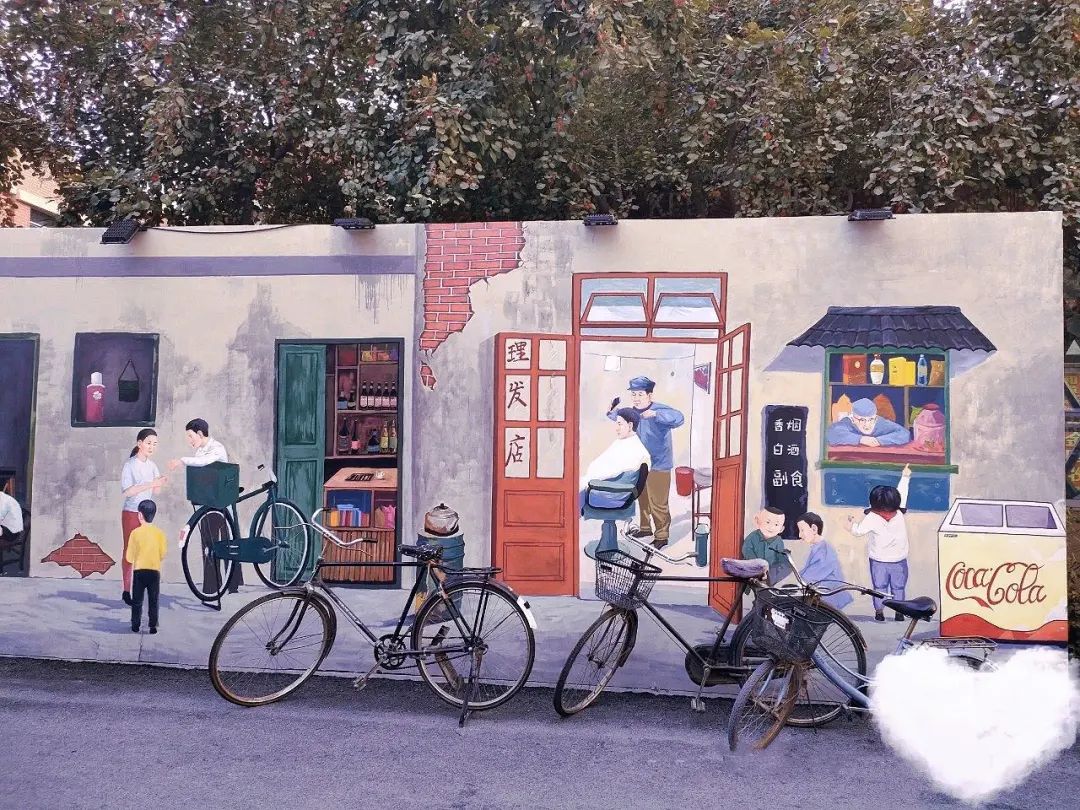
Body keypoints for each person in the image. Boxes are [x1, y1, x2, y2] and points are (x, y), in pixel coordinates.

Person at [606, 376, 684, 549]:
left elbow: (679, 418)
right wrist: (612, 409)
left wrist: (656, 414)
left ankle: (662, 535)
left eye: (640, 394)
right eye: (633, 394)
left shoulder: (659, 409)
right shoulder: (632, 413)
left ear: (649, 395)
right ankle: (645, 528)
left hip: (659, 465)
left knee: (658, 502)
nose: (636, 398)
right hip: (640, 464)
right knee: (642, 498)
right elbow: (617, 417)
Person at [168, 418, 243, 593]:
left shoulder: (217, 448)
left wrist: (181, 461)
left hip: (223, 505)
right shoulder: (199, 451)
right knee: (208, 546)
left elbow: (204, 463)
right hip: (208, 504)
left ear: (200, 434)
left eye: (190, 436)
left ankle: (232, 584)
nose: (189, 440)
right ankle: (211, 587)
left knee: (229, 543)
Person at [847, 464, 912, 622]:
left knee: (879, 588)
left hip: (878, 561)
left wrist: (850, 524)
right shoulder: (899, 513)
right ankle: (899, 613)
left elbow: (858, 531)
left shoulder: (871, 518)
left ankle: (879, 612)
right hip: (899, 560)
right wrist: (905, 476)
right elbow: (902, 493)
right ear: (895, 502)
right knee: (898, 587)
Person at [120, 428, 167, 606]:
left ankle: (139, 590)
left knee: (145, 552)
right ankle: (127, 590)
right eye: (148, 443)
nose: (151, 447)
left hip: (147, 514)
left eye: (155, 444)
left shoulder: (152, 466)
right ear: (139, 443)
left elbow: (157, 491)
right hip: (131, 513)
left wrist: (160, 483)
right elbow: (127, 492)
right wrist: (151, 483)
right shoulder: (130, 465)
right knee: (130, 551)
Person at [579, 408, 652, 509]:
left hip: (612, 494)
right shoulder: (624, 442)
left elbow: (608, 472)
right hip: (609, 489)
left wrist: (587, 480)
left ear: (630, 425)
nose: (616, 428)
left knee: (575, 493)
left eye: (619, 424)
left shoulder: (634, 449)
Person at [796, 512, 853, 611]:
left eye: (802, 530)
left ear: (814, 529)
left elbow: (811, 576)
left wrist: (798, 582)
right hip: (823, 594)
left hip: (828, 596)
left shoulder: (824, 550)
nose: (799, 535)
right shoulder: (819, 547)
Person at [126, 499, 166, 634]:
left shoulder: (135, 533)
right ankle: (153, 626)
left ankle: (135, 625)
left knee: (137, 600)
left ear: (140, 515)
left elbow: (129, 557)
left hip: (139, 571)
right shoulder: (159, 533)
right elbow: (162, 553)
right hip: (154, 571)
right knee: (153, 600)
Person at [826, 398, 910, 448]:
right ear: (853, 418)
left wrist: (879, 441)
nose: (867, 425)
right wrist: (861, 439)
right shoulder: (847, 422)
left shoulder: (880, 422)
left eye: (871, 419)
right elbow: (831, 433)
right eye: (862, 420)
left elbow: (904, 433)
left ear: (875, 417)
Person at [741, 507, 792, 585]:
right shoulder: (753, 536)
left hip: (769, 570)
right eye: (768, 522)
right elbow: (747, 550)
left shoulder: (778, 541)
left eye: (776, 524)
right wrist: (756, 564)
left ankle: (768, 581)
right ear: (757, 522)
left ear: (781, 529)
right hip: (753, 568)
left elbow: (779, 556)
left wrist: (784, 557)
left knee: (786, 565)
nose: (771, 527)